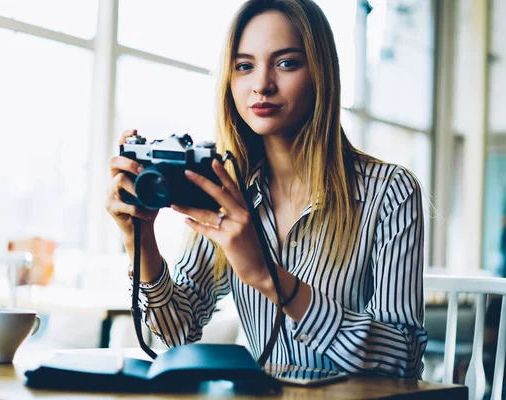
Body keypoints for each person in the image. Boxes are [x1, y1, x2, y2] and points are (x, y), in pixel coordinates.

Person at [106, 0, 427, 378]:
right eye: (244, 66)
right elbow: (178, 333)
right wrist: (140, 242)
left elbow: (401, 360)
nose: (261, 84)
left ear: (320, 74)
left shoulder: (390, 192)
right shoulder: (228, 190)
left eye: (286, 62)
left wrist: (268, 277)